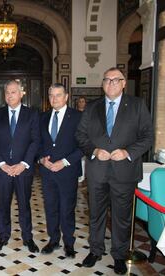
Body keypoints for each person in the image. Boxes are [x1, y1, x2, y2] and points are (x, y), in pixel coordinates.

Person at [75, 67, 154, 275]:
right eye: (107, 80)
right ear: (102, 84)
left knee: (122, 217)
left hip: (124, 171)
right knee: (96, 214)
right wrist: (94, 150)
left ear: (124, 83)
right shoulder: (92, 107)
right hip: (97, 170)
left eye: (116, 80)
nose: (111, 83)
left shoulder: (137, 106)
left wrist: (128, 152)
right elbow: (80, 135)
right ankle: (95, 250)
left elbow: (147, 137)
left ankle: (119, 255)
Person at [0, 80, 40, 252]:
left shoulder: (32, 114)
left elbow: (35, 141)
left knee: (24, 204)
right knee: (3, 204)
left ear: (21, 94)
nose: (9, 95)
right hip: (3, 170)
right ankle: (3, 236)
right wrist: (2, 164)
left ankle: (28, 238)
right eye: (7, 92)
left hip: (23, 170)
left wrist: (24, 164)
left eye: (13, 92)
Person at [38, 83, 83, 259]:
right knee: (50, 208)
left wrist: (64, 162)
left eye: (58, 95)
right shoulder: (43, 117)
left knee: (67, 209)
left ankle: (69, 243)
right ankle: (53, 240)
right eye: (51, 95)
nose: (54, 98)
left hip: (67, 172)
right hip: (48, 172)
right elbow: (37, 143)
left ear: (66, 97)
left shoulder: (78, 117)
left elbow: (83, 146)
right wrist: (41, 159)